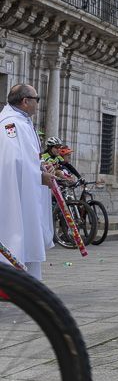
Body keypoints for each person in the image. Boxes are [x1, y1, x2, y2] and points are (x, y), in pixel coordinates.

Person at [0, 85, 54, 280]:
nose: (38, 103)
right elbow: (11, 163)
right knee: (16, 239)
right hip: (15, 197)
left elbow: (26, 158)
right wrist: (39, 177)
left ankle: (28, 285)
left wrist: (41, 166)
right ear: (25, 101)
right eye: (36, 99)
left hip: (26, 193)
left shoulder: (23, 122)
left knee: (28, 241)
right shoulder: (10, 125)